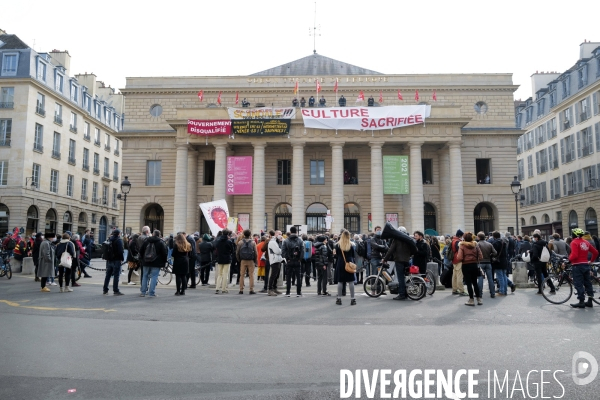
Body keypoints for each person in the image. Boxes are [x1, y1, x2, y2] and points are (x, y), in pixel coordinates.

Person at [568, 228, 598, 308]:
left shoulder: (574, 242)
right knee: (588, 283)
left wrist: (568, 260)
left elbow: (574, 255)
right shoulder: (586, 242)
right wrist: (591, 261)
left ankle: (581, 301)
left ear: (574, 235)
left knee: (578, 284)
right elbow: (595, 252)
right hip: (585, 265)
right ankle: (590, 301)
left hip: (577, 265)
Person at [383, 226, 414, 301]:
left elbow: (391, 250)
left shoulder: (397, 239)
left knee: (400, 278)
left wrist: (385, 259)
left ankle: (402, 294)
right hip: (407, 260)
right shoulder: (408, 239)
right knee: (404, 277)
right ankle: (406, 293)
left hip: (399, 260)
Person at [138, 230, 167, 297]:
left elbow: (141, 251)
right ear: (159, 235)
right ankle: (151, 293)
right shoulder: (160, 242)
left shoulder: (146, 241)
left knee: (145, 276)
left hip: (146, 262)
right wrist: (163, 262)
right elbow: (164, 253)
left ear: (153, 234)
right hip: (156, 263)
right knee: (154, 277)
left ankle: (143, 292)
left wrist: (143, 259)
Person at [457, 232, 483, 306]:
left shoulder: (462, 246)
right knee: (475, 282)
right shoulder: (476, 245)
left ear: (464, 238)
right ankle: (479, 299)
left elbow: (460, 257)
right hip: (474, 265)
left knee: (468, 283)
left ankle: (471, 300)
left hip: (466, 265)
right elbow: (481, 256)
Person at [334, 230, 357, 305]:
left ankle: (339, 298)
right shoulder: (351, 244)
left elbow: (336, 255)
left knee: (340, 281)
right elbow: (353, 255)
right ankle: (352, 299)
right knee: (351, 281)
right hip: (349, 263)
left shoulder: (338, 245)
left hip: (341, 263)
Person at [281, 226, 305, 297]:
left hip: (289, 260)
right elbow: (302, 250)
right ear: (296, 232)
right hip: (297, 260)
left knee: (288, 277)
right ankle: (298, 292)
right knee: (298, 276)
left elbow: (283, 251)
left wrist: (286, 258)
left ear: (290, 232)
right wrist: (300, 259)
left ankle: (288, 292)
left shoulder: (286, 240)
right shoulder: (300, 240)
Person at [102, 229, 125, 296]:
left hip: (109, 260)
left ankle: (105, 289)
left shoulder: (109, 239)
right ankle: (116, 290)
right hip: (116, 260)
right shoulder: (119, 240)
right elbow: (120, 251)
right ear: (118, 234)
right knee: (116, 275)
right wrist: (122, 259)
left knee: (108, 275)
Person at [236, 229, 257, 295]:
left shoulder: (240, 242)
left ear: (244, 234)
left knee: (242, 275)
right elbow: (256, 253)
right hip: (251, 260)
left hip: (243, 260)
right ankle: (251, 289)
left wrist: (239, 259)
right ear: (250, 234)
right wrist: (255, 260)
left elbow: (237, 252)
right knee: (251, 275)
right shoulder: (253, 242)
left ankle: (241, 289)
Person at [476, 232, 497, 298]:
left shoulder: (478, 244)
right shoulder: (489, 244)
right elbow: (495, 253)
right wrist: (490, 255)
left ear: (479, 237)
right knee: (490, 279)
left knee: (480, 278)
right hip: (488, 262)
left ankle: (479, 293)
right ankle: (492, 293)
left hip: (480, 263)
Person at [214, 229, 234, 294]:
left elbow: (215, 248)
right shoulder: (229, 241)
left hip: (220, 258)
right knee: (225, 274)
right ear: (228, 234)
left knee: (220, 274)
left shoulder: (218, 241)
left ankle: (217, 288)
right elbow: (232, 250)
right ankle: (223, 288)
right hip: (227, 258)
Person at [491, 231, 509, 296]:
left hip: (498, 261)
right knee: (504, 276)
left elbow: (494, 253)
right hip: (504, 260)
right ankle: (505, 290)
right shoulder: (503, 242)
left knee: (500, 277)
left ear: (494, 236)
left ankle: (502, 291)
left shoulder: (495, 243)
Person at [451, 229, 467, 296]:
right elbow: (460, 251)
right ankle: (461, 290)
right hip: (458, 260)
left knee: (454, 276)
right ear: (460, 235)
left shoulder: (453, 240)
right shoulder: (458, 242)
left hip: (454, 259)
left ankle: (454, 289)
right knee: (459, 276)